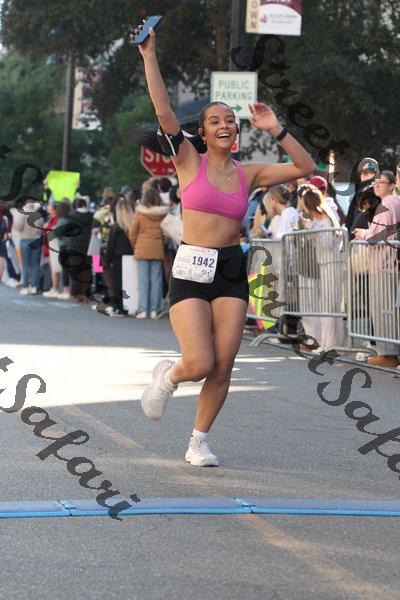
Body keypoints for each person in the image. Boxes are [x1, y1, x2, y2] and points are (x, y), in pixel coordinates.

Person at [134, 27, 315, 467]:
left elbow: (305, 166)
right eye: (215, 120)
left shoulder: (249, 173)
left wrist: (276, 128)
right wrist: (149, 55)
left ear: (236, 131)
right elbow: (163, 109)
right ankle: (169, 376)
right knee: (198, 362)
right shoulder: (186, 159)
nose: (224, 125)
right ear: (202, 131)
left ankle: (198, 441)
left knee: (223, 364)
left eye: (230, 120)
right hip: (192, 267)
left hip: (231, 268)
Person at [354, 170, 400, 367]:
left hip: (383, 265)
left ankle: (388, 353)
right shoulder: (394, 202)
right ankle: (388, 352)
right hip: (388, 263)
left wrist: (362, 233)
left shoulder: (387, 204)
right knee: (388, 309)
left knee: (384, 310)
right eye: (375, 183)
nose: (377, 185)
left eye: (382, 182)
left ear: (392, 185)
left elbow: (375, 237)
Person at [297, 185, 344, 353]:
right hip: (325, 265)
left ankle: (330, 344)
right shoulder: (319, 221)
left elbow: (326, 244)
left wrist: (311, 228)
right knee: (327, 304)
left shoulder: (325, 220)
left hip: (332, 265)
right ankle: (329, 342)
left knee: (329, 305)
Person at [128, 187, 169, 318]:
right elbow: (166, 235)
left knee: (143, 281)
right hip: (157, 249)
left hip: (142, 249)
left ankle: (143, 309)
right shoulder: (163, 214)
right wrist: (161, 244)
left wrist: (136, 246)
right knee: (156, 280)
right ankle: (154, 310)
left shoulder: (139, 213)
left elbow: (132, 233)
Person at [58, 197, 93, 302]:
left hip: (73, 246)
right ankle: (86, 294)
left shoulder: (71, 216)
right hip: (88, 245)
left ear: (76, 205)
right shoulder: (92, 216)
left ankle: (75, 294)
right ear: (85, 205)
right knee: (86, 270)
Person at [105, 197, 135, 316]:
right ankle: (130, 306)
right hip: (132, 256)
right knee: (130, 283)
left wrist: (108, 260)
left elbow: (111, 245)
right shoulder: (133, 225)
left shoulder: (116, 227)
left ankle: (119, 308)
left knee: (118, 283)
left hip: (118, 257)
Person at [13, 199, 44, 294]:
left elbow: (18, 227)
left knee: (25, 265)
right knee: (35, 265)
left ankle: (25, 286)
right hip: (36, 241)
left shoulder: (22, 214)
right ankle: (34, 286)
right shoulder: (38, 215)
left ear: (26, 205)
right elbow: (41, 228)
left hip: (25, 240)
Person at [345, 158, 379, 239]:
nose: (364, 175)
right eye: (363, 173)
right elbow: (350, 218)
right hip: (359, 237)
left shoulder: (378, 190)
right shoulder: (359, 192)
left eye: (368, 173)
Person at [42, 202, 62, 298]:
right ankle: (54, 287)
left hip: (53, 246)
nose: (47, 209)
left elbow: (52, 231)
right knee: (53, 268)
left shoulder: (56, 218)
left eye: (49, 208)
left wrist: (46, 228)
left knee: (54, 268)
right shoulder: (51, 218)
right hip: (49, 245)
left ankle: (55, 288)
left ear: (54, 210)